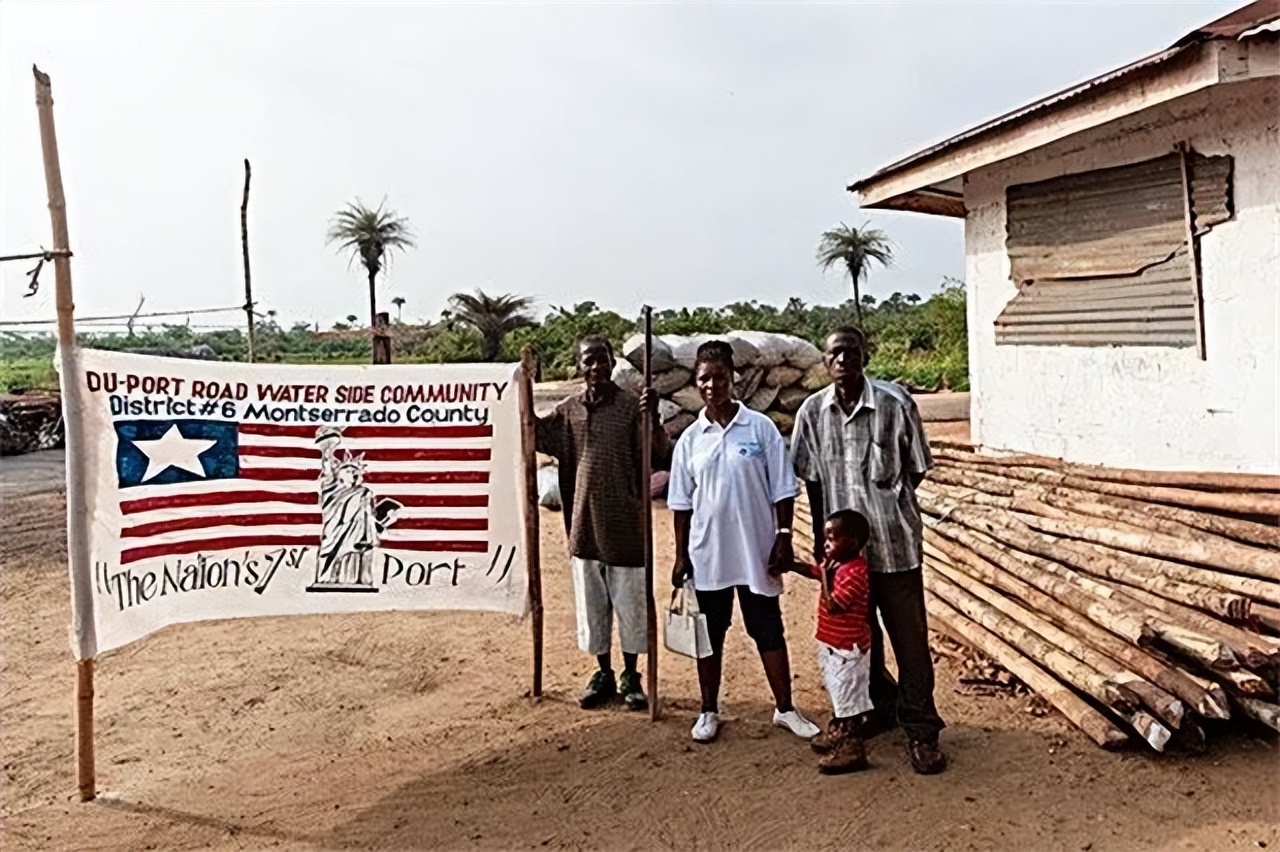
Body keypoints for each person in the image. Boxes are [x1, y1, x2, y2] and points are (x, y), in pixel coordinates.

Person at [790, 326, 947, 775]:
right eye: (835, 353)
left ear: (866, 356)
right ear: (825, 362)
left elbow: (915, 471)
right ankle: (876, 710)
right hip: (845, 560)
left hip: (895, 548)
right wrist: (829, 555)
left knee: (910, 641)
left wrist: (882, 508)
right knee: (859, 645)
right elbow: (813, 482)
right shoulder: (812, 413)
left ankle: (922, 731)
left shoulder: (895, 405)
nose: (843, 360)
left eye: (851, 352)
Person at [667, 340, 820, 744]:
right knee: (710, 635)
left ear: (733, 378)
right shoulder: (690, 439)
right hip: (709, 554)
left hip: (756, 551)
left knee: (767, 629)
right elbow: (681, 504)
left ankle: (785, 708)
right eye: (704, 379)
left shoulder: (760, 428)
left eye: (719, 376)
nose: (712, 385)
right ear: (697, 383)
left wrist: (783, 537)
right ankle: (708, 710)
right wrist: (681, 555)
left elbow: (782, 489)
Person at [536, 335, 666, 711]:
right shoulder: (568, 412)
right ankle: (603, 672)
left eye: (603, 360)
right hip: (584, 526)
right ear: (579, 366)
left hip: (626, 524)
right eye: (589, 361)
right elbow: (536, 434)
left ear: (612, 363)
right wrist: (517, 398)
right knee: (593, 607)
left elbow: (656, 453)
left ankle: (631, 674)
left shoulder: (630, 408)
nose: (596, 367)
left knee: (630, 605)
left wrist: (652, 417)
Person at [784, 509, 873, 775]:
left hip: (848, 648)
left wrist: (825, 576)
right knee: (838, 693)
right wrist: (793, 565)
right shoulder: (837, 566)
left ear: (853, 543)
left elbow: (834, 605)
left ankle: (852, 748)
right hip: (833, 644)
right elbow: (816, 570)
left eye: (832, 540)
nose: (826, 544)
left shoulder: (856, 572)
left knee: (848, 698)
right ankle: (839, 733)